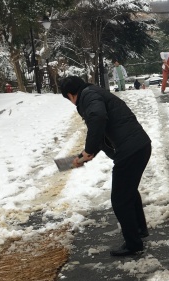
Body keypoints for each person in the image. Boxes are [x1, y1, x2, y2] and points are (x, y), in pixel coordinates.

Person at [59, 76, 152, 257]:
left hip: (130, 150)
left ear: (70, 95)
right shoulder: (94, 93)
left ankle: (133, 244)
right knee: (129, 192)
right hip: (139, 145)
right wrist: (86, 156)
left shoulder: (88, 97)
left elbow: (98, 118)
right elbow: (101, 131)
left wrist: (89, 149)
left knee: (120, 199)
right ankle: (139, 230)